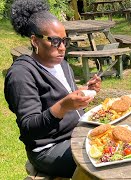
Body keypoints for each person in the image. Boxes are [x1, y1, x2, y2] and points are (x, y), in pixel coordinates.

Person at [4, 0, 101, 178]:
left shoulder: (62, 65)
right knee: (105, 158)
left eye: (64, 40)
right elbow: (29, 128)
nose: (62, 47)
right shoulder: (21, 75)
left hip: (77, 134)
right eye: (55, 41)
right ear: (35, 40)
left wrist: (85, 90)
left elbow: (60, 95)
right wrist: (64, 106)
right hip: (48, 148)